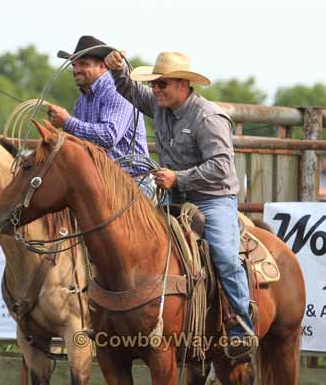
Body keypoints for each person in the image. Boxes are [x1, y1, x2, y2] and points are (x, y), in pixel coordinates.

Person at [104, 50, 256, 358]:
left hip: (212, 199)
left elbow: (222, 168)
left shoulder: (208, 118)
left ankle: (241, 325)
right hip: (174, 197)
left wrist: (179, 178)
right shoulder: (160, 106)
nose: (156, 90)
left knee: (225, 255)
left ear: (184, 84)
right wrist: (119, 69)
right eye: (155, 84)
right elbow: (131, 91)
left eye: (164, 84)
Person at [46, 35, 156, 200]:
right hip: (102, 182)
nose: (76, 69)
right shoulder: (82, 101)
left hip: (135, 182)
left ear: (103, 66)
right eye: (74, 64)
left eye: (83, 64)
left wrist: (67, 122)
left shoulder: (116, 91)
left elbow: (109, 136)